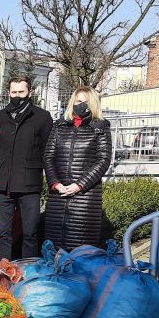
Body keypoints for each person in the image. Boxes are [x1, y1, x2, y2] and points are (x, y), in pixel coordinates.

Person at [43, 86, 113, 251]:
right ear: (72, 101)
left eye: (86, 102)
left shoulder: (100, 127)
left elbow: (103, 160)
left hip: (85, 197)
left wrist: (79, 185)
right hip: (58, 195)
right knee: (54, 248)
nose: (81, 105)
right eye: (79, 101)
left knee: (81, 249)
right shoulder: (59, 126)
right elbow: (48, 156)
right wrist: (54, 183)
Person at [0, 76, 53, 262]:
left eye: (21, 92)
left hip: (29, 184)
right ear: (9, 93)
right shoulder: (1, 116)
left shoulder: (42, 117)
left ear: (30, 93)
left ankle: (27, 271)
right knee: (3, 233)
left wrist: (51, 180)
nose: (17, 96)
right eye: (14, 92)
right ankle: (4, 270)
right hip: (5, 183)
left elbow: (46, 151)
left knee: (30, 233)